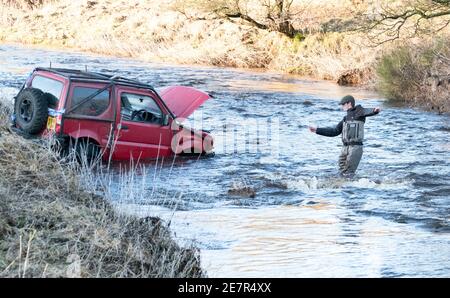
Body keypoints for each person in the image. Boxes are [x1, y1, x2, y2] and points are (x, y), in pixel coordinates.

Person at [308, 95, 381, 177]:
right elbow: (334, 131)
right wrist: (317, 130)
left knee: (348, 173)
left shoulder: (359, 111)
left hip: (355, 148)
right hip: (345, 148)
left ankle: (351, 188)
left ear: (349, 103)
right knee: (341, 173)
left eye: (343, 104)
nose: (342, 106)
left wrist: (375, 111)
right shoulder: (345, 119)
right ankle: (343, 188)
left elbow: (367, 111)